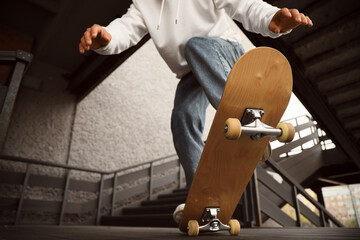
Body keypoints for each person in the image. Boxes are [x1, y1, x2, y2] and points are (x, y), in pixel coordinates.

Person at [79, 0, 312, 224]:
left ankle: (250, 119)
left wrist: (272, 19)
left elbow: (244, 4)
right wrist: (107, 39)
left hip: (222, 53)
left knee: (195, 45)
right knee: (182, 119)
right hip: (191, 73)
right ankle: (201, 197)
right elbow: (125, 29)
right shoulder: (142, 4)